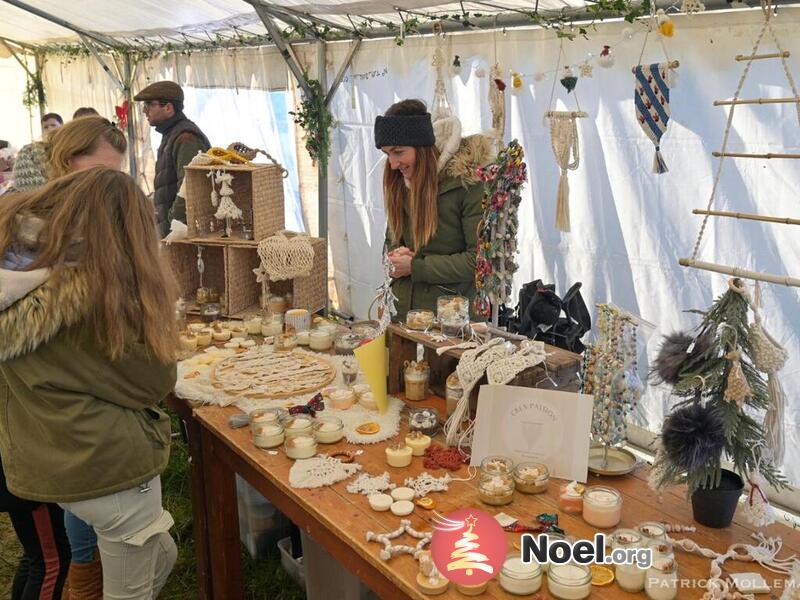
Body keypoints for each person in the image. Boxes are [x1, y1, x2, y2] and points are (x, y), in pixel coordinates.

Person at [0, 167, 179, 599]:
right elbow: (153, 380)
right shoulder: (74, 301)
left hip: (52, 452)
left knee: (163, 552)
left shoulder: (17, 278)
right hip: (105, 466)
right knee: (131, 588)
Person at [374, 99, 494, 320]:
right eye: (387, 153)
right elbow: (391, 240)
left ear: (421, 148)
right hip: (404, 315)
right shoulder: (399, 182)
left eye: (398, 152)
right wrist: (394, 256)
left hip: (451, 320)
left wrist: (415, 267)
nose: (392, 163)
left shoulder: (466, 184)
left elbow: (478, 261)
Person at [134, 80, 210, 237]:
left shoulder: (186, 138)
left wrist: (171, 224)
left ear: (168, 107)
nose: (144, 110)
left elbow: (189, 187)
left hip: (181, 234)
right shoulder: (172, 134)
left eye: (149, 104)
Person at [11, 113, 64, 191]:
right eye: (46, 127)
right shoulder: (32, 150)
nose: (50, 129)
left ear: (62, 125)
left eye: (53, 125)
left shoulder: (69, 145)